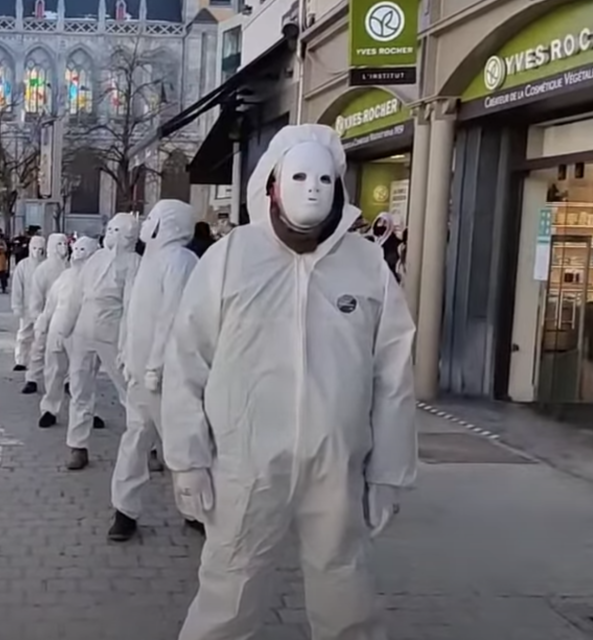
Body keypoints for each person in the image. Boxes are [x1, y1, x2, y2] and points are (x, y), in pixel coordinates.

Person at [161, 125, 417, 640]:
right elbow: (187, 361)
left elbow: (394, 375)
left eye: (324, 177)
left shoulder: (366, 266)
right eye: (299, 176)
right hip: (245, 464)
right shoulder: (230, 260)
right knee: (228, 595)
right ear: (273, 185)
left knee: (346, 593)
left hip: (337, 467)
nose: (313, 188)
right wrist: (187, 459)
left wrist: (388, 469)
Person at [108, 200, 199, 542]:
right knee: (135, 439)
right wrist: (125, 351)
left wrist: (156, 365)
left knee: (181, 445)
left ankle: (194, 508)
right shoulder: (150, 260)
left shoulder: (181, 260)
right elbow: (132, 312)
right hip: (138, 373)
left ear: (168, 222)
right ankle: (124, 509)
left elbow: (172, 316)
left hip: (167, 375)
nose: (145, 223)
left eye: (152, 218)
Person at [65, 213, 140, 470]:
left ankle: (145, 444)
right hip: (84, 327)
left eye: (117, 230)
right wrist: (67, 323)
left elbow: (132, 304)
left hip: (112, 329)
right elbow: (77, 293)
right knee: (79, 386)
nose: (112, 234)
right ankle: (78, 444)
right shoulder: (96, 258)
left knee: (127, 388)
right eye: (111, 229)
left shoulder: (133, 263)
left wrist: (129, 340)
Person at [37, 236, 99, 428]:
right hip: (58, 328)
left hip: (82, 331)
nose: (78, 254)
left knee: (83, 375)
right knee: (54, 369)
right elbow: (51, 302)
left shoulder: (96, 279)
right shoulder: (65, 276)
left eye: (84, 250)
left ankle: (87, 414)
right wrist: (44, 323)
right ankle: (49, 408)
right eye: (77, 249)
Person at [22, 233, 69, 394]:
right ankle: (32, 378)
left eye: (65, 244)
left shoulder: (69, 267)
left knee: (67, 351)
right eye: (59, 244)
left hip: (66, 316)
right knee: (39, 348)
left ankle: (68, 380)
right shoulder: (43, 270)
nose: (63, 248)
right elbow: (36, 294)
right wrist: (37, 316)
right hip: (47, 315)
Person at [10, 235, 46, 371]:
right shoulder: (23, 265)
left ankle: (40, 361)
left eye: (40, 249)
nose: (37, 252)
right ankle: (21, 360)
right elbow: (17, 287)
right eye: (35, 248)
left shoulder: (47, 265)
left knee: (42, 336)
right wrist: (17, 305)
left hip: (43, 308)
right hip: (26, 306)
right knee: (24, 334)